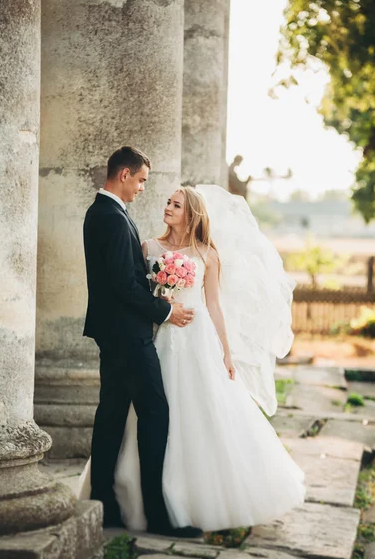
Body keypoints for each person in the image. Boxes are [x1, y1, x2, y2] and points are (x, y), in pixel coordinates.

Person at [79, 177, 306, 532]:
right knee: (150, 414)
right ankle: (135, 502)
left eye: (176, 204)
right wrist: (161, 303)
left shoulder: (207, 255)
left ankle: (197, 497)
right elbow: (137, 291)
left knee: (200, 409)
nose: (167, 208)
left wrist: (226, 352)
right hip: (158, 336)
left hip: (197, 338)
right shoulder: (148, 247)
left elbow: (214, 305)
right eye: (168, 202)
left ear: (192, 214)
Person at [82, 145, 202, 538]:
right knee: (155, 414)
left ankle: (105, 506)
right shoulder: (113, 219)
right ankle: (157, 515)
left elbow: (123, 280)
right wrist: (164, 311)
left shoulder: (103, 213)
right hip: (129, 336)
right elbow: (122, 286)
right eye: (142, 181)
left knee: (113, 415)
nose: (143, 189)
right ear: (124, 175)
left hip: (114, 333)